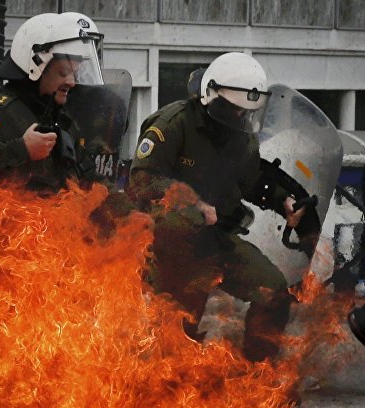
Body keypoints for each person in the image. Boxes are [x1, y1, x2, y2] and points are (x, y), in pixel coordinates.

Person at [127, 52, 306, 362]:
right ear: (211, 95)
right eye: (232, 109)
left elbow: (251, 182)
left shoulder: (243, 137)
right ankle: (164, 380)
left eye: (245, 111)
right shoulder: (173, 123)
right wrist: (192, 202)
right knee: (179, 332)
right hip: (170, 242)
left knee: (273, 291)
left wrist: (284, 201)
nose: (238, 116)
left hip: (217, 239)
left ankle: (257, 374)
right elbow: (142, 180)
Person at [0, 11, 104, 190]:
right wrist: (22, 149)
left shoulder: (60, 121)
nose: (71, 82)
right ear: (35, 68)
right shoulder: (2, 113)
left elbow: (88, 180)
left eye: (75, 73)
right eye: (63, 72)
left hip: (55, 217)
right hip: (5, 217)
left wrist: (126, 212)